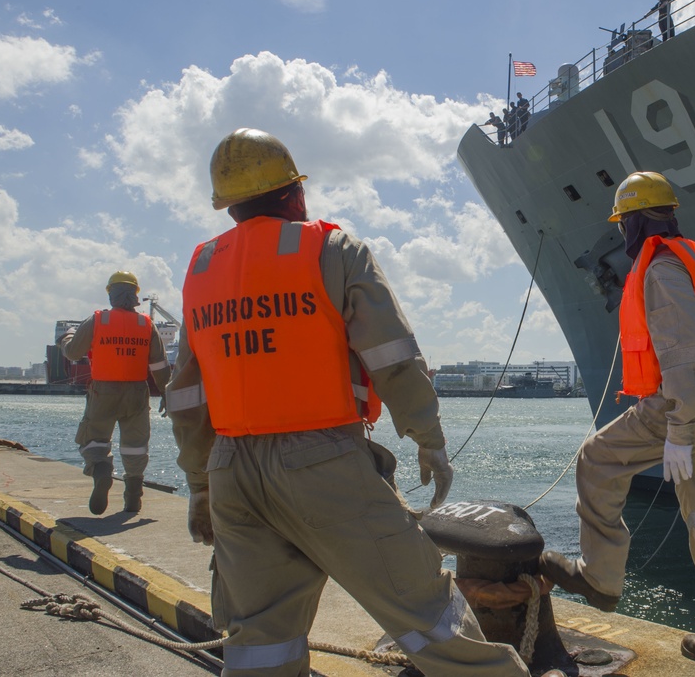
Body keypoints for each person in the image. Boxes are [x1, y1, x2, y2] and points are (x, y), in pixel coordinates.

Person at [166, 128, 530, 677]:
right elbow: (392, 358)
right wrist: (427, 438)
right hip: (323, 465)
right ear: (294, 193)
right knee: (428, 611)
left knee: (262, 637)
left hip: (232, 472)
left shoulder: (201, 270)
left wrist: (200, 485)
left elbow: (187, 396)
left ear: (230, 205)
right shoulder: (332, 249)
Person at [539, 171, 695, 676]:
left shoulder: (661, 267)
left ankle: (599, 578)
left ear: (636, 221)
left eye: (623, 223)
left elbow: (686, 355)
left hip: (691, 402)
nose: (622, 234)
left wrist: (680, 431)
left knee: (597, 460)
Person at [59, 271, 171, 515]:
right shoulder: (146, 324)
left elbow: (73, 353)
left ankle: (101, 470)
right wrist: (166, 393)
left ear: (111, 294)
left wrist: (66, 337)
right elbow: (160, 366)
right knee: (136, 446)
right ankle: (133, 498)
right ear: (135, 296)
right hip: (137, 392)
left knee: (93, 439)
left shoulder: (98, 320)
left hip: (103, 391)